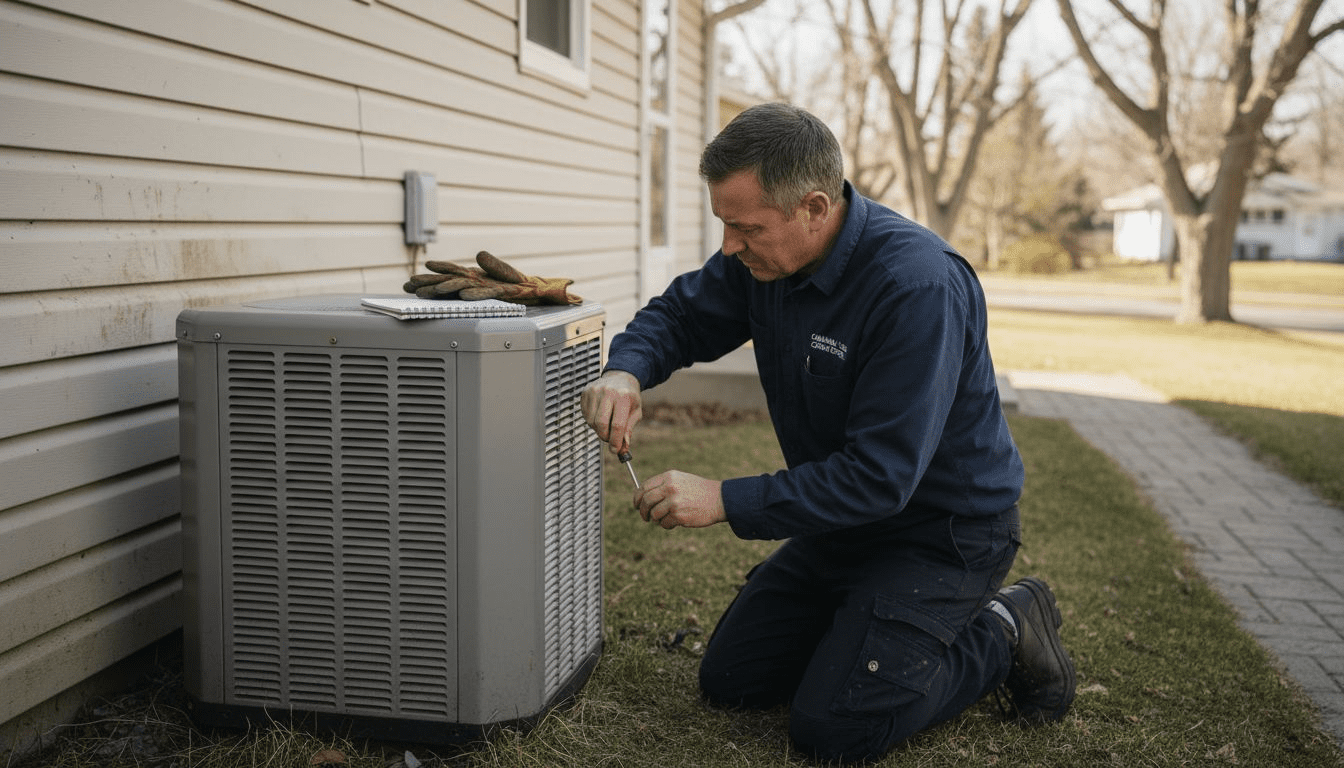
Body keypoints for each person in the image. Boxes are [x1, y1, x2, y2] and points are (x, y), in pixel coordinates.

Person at [580, 102, 1075, 763]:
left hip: (942, 534)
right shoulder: (766, 258)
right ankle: (861, 632)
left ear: (814, 207)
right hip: (842, 527)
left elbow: (879, 477)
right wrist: (626, 371)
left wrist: (724, 499)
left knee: (835, 730)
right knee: (731, 681)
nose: (729, 246)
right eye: (724, 224)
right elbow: (681, 315)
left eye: (745, 228)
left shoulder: (916, 286)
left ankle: (1006, 627)